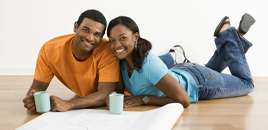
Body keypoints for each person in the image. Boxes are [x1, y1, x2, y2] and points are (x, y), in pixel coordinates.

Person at [106, 13, 255, 108]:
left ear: (136, 37)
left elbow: (184, 100)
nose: (116, 45)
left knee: (246, 83)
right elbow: (118, 93)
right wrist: (110, 99)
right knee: (215, 72)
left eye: (122, 38)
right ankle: (233, 37)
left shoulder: (149, 65)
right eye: (112, 40)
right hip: (182, 71)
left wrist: (143, 99)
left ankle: (228, 35)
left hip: (200, 84)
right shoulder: (122, 62)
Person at [23, 9, 120, 112]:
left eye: (97, 34)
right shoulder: (49, 50)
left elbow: (106, 93)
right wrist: (32, 99)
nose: (90, 38)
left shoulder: (107, 51)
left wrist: (69, 104)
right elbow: (37, 87)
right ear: (75, 26)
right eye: (86, 30)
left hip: (126, 97)